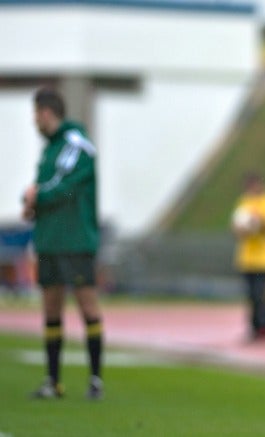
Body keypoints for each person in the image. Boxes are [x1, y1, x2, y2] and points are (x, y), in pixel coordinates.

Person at [23, 87, 103, 399]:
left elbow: (67, 187)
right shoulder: (50, 149)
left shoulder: (76, 144)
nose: (34, 121)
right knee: (51, 307)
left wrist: (38, 197)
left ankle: (95, 379)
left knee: (87, 304)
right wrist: (32, 202)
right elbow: (46, 187)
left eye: (36, 114)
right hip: (50, 239)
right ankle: (53, 381)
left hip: (75, 239)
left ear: (47, 112)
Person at [231, 171, 265, 341]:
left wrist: (261, 222)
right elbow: (236, 228)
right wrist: (243, 228)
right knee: (252, 297)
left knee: (264, 296)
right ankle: (254, 328)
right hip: (247, 259)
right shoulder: (244, 202)